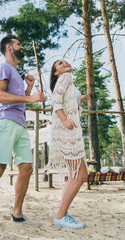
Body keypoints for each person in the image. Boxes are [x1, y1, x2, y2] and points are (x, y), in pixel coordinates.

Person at [0, 34, 45, 232]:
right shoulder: (3, 67)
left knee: (26, 169)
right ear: (9, 47)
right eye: (19, 44)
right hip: (4, 121)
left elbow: (18, 100)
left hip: (20, 124)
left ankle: (17, 214)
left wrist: (28, 89)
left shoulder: (16, 73)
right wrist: (30, 98)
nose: (22, 47)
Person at [48, 60, 89, 229]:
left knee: (75, 176)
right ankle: (60, 215)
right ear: (56, 73)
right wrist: (64, 120)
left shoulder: (68, 81)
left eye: (65, 61)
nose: (64, 63)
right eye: (59, 63)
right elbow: (55, 101)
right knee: (80, 175)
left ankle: (62, 213)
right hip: (68, 133)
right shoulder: (65, 77)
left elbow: (67, 102)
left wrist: (80, 99)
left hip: (70, 133)